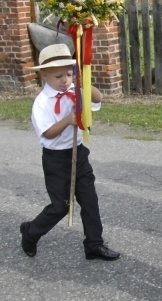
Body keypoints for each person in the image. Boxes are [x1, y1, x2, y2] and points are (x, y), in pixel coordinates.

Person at [20, 44, 120, 261]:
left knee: (90, 201)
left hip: (79, 154)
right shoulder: (42, 103)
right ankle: (30, 232)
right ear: (44, 75)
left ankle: (94, 244)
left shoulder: (75, 90)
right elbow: (47, 134)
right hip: (56, 159)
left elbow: (97, 98)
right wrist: (67, 120)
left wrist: (84, 83)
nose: (65, 80)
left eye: (68, 74)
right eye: (58, 76)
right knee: (60, 207)